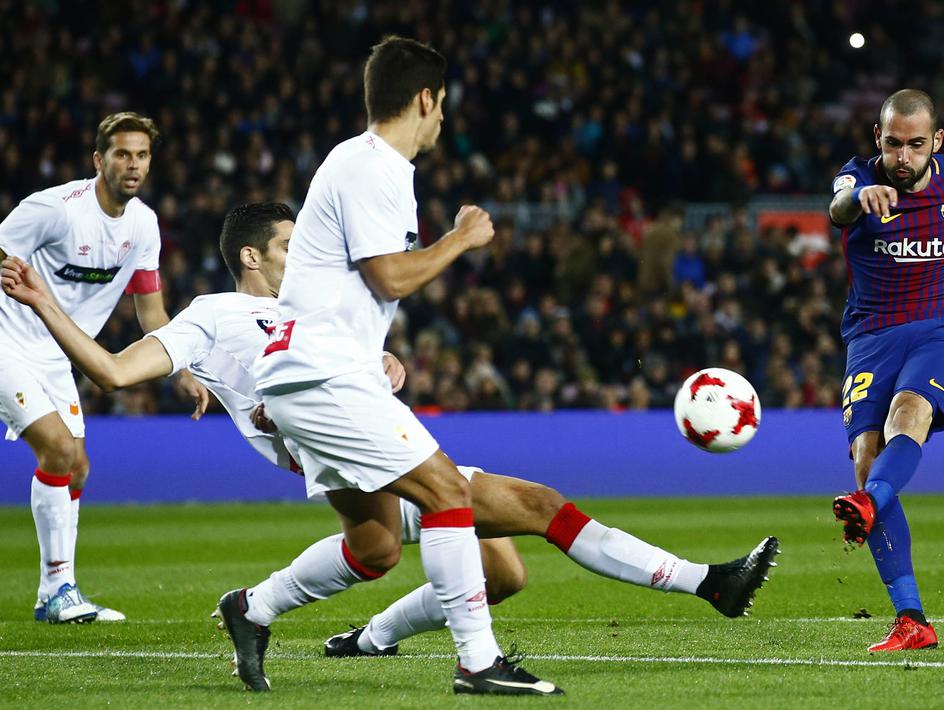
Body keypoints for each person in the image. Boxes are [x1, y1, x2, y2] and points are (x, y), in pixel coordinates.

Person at [0, 203, 780, 662]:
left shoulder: (309, 308)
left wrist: (384, 364)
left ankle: (292, 618)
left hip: (362, 435)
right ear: (249, 255)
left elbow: (358, 353)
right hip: (337, 444)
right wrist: (42, 302)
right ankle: (706, 582)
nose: (302, 255)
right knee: (539, 505)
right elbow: (110, 370)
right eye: (286, 247)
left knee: (456, 565)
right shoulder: (213, 314)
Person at [0, 112, 208, 625]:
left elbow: (151, 313)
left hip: (54, 355)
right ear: (99, 159)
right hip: (7, 338)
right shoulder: (55, 210)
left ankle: (55, 594)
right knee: (59, 449)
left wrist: (179, 367)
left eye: (141, 155)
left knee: (78, 466)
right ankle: (59, 590)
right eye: (121, 154)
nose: (132, 164)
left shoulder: (143, 225)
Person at [826, 90, 944, 652]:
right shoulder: (855, 179)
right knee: (865, 461)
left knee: (911, 413)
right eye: (893, 143)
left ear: (937, 142)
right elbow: (838, 208)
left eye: (916, 145)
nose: (903, 157)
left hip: (943, 324)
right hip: (872, 334)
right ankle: (912, 620)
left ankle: (871, 501)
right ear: (878, 138)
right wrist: (859, 196)